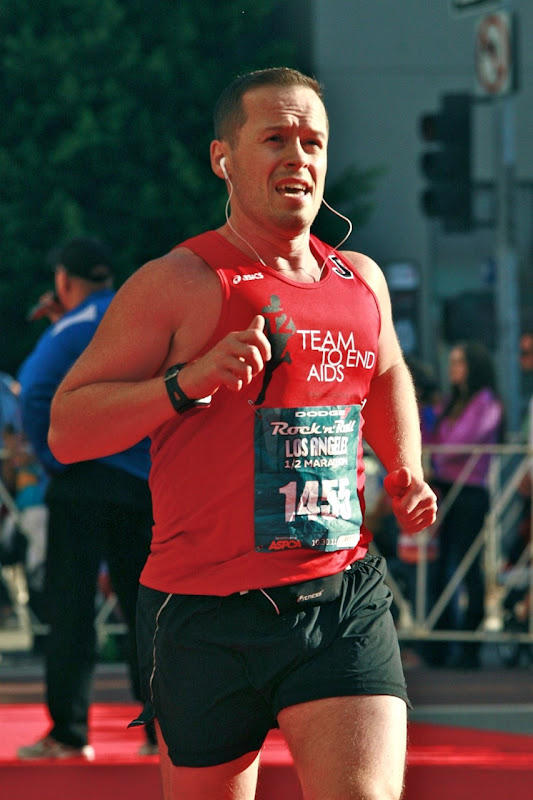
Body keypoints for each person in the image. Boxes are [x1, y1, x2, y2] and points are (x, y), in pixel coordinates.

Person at [48, 69, 437, 800]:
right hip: (203, 613)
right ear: (222, 158)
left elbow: (386, 372)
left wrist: (404, 466)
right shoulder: (180, 281)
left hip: (339, 596)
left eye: (312, 142)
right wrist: (184, 383)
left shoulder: (360, 279)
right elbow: (68, 430)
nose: (298, 158)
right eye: (275, 139)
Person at [16, 237, 157, 760]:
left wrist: (54, 458)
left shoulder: (69, 329)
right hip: (139, 483)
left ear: (63, 282)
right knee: (146, 608)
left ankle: (70, 733)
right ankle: (161, 732)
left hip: (81, 481)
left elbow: (34, 390)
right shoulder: (142, 317)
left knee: (72, 607)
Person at [428, 341, 504, 669]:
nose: (453, 368)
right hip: (444, 489)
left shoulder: (487, 403)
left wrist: (437, 453)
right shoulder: (451, 402)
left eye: (459, 362)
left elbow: (456, 444)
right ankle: (441, 643)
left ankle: (470, 645)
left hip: (470, 492)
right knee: (440, 565)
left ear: (473, 366)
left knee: (469, 567)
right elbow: (432, 439)